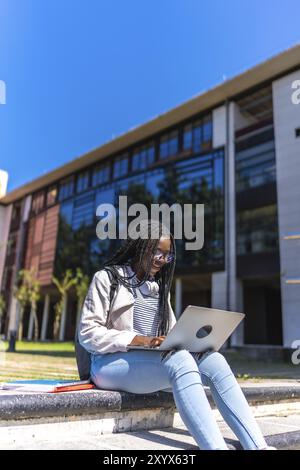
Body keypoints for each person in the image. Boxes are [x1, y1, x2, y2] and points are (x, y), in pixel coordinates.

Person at [78, 220, 275, 450]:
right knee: (180, 361)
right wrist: (138, 340)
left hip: (150, 366)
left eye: (167, 255)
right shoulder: (108, 279)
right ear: (139, 246)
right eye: (156, 252)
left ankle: (258, 447)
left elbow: (172, 336)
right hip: (108, 364)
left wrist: (195, 345)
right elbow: (88, 332)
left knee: (215, 361)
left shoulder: (160, 290)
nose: (162, 260)